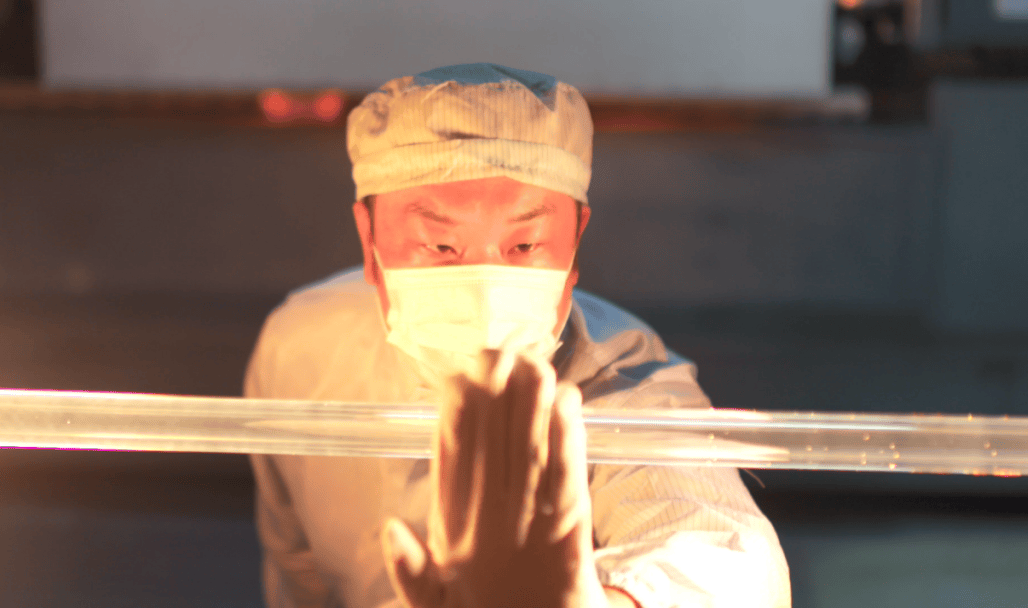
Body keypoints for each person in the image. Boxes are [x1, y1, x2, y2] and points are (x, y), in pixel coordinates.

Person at [245, 63, 791, 608]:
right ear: (369, 241)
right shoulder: (300, 350)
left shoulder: (623, 382)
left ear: (574, 245)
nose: (486, 292)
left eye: (525, 246)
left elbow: (728, 565)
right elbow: (299, 574)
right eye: (441, 246)